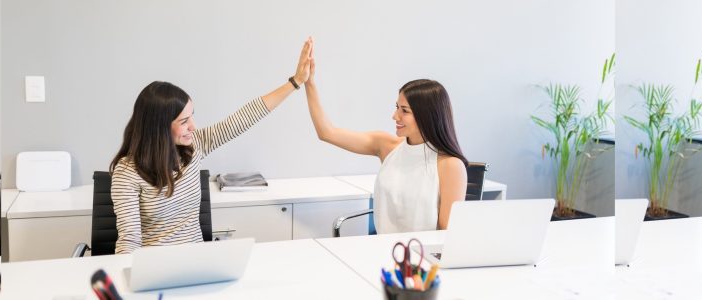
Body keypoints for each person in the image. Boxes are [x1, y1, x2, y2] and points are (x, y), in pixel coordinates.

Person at [109, 39, 314, 254]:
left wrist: (295, 82)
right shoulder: (127, 173)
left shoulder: (193, 147)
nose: (193, 127)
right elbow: (129, 242)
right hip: (155, 270)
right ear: (159, 128)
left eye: (192, 117)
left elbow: (242, 119)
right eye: (183, 121)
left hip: (198, 263)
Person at [303, 38, 467, 233]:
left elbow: (448, 233)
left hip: (419, 259)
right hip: (381, 252)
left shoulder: (449, 165)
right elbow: (327, 132)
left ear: (427, 116)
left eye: (404, 111)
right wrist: (309, 83)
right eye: (397, 107)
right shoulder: (387, 146)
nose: (395, 116)